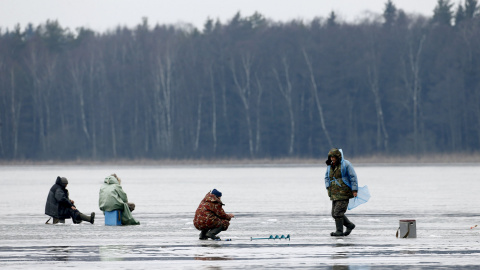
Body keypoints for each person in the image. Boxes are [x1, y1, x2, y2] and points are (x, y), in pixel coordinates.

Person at [324, 148, 358, 236]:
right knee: (334, 214)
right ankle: (349, 225)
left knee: (338, 212)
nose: (332, 158)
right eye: (331, 157)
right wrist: (328, 187)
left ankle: (339, 231)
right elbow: (327, 177)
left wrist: (354, 190)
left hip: (344, 192)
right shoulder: (330, 165)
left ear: (338, 156)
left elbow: (352, 177)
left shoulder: (346, 164)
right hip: (334, 193)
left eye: (334, 157)